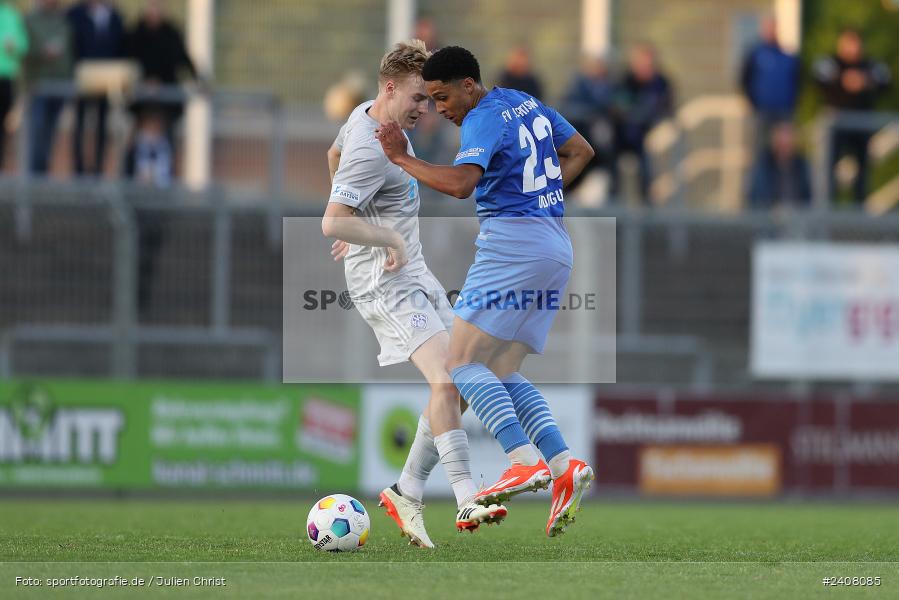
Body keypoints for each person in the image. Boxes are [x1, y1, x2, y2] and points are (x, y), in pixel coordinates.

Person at [375, 46, 596, 537]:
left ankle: (521, 460)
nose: (440, 109)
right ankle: (563, 467)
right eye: (430, 100)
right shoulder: (526, 102)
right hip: (555, 247)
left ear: (469, 85)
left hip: (512, 246)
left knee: (459, 366)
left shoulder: (482, 117)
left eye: (443, 97)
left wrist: (400, 156)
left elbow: (460, 185)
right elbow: (582, 151)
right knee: (500, 368)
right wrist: (543, 198)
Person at [322, 40, 507, 549]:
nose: (425, 109)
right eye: (417, 99)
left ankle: (406, 490)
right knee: (450, 377)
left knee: (464, 380)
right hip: (383, 282)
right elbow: (331, 220)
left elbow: (331, 154)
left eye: (429, 99)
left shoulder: (370, 122)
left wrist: (357, 216)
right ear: (388, 88)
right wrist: (379, 234)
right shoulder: (369, 145)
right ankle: (468, 495)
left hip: (414, 272)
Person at [813, 28, 891, 204]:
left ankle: (859, 213)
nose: (852, 48)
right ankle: (829, 211)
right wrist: (843, 80)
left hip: (861, 127)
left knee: (862, 172)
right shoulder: (832, 62)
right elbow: (818, 77)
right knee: (830, 170)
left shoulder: (869, 65)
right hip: (837, 127)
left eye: (855, 43)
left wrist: (864, 81)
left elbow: (886, 80)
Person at [126, 0, 197, 145]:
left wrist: (197, 79)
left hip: (166, 100)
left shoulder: (171, 34)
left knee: (166, 142)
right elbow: (128, 61)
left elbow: (183, 59)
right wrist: (144, 82)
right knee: (138, 143)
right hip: (142, 102)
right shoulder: (136, 33)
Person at [124, 105, 172, 318]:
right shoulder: (133, 150)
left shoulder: (165, 149)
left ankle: (141, 301)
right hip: (138, 209)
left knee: (148, 258)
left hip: (156, 210)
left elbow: (168, 177)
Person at [67, 0, 125, 177]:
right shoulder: (75, 14)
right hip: (82, 78)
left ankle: (98, 168)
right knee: (79, 123)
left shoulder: (114, 16)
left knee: (102, 124)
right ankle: (79, 169)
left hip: (106, 79)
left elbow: (119, 47)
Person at [612, 43, 672, 204]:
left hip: (649, 138)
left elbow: (665, 111)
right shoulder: (626, 81)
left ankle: (648, 208)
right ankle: (615, 206)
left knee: (647, 167)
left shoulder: (661, 84)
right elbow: (618, 108)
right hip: (625, 137)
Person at [740, 15, 800, 154]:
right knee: (759, 150)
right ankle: (759, 175)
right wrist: (751, 102)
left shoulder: (787, 56)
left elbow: (797, 81)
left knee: (784, 151)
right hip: (761, 111)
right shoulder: (754, 54)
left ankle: (782, 176)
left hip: (784, 111)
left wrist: (793, 103)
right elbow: (744, 79)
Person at [24, 0, 70, 175]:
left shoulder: (64, 21)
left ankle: (42, 175)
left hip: (60, 86)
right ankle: (33, 177)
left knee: (50, 135)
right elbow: (24, 49)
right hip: (38, 86)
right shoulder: (29, 20)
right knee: (37, 131)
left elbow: (69, 53)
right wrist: (41, 51)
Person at [560, 52, 616, 196]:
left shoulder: (610, 86)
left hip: (600, 143)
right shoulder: (579, 86)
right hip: (583, 135)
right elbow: (569, 108)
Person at [747, 121, 811, 210]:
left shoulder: (803, 166)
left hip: (798, 219)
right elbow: (756, 199)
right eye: (781, 143)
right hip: (768, 219)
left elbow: (809, 199)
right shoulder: (763, 166)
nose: (785, 146)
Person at [0, 1, 28, 171]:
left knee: (4, 125)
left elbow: (23, 44)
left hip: (6, 78)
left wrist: (15, 46)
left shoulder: (11, 15)